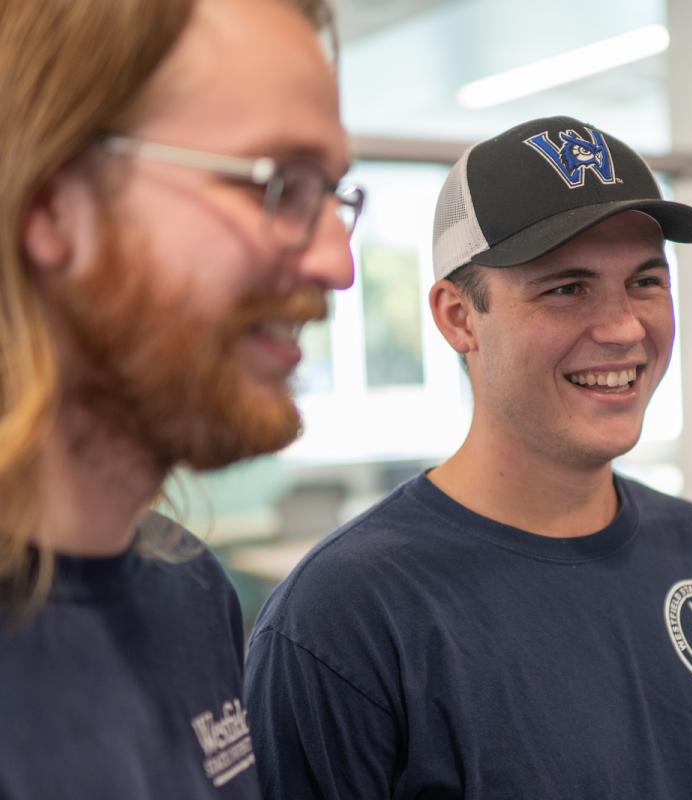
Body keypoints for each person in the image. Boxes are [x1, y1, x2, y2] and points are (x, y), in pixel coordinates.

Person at [245, 115, 692, 799]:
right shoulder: (346, 619)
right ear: (458, 317)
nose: (624, 327)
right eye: (566, 288)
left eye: (645, 282)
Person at [0, 0, 360, 797]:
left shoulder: (190, 595)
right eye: (281, 185)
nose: (339, 263)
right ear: (53, 205)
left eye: (336, 194)